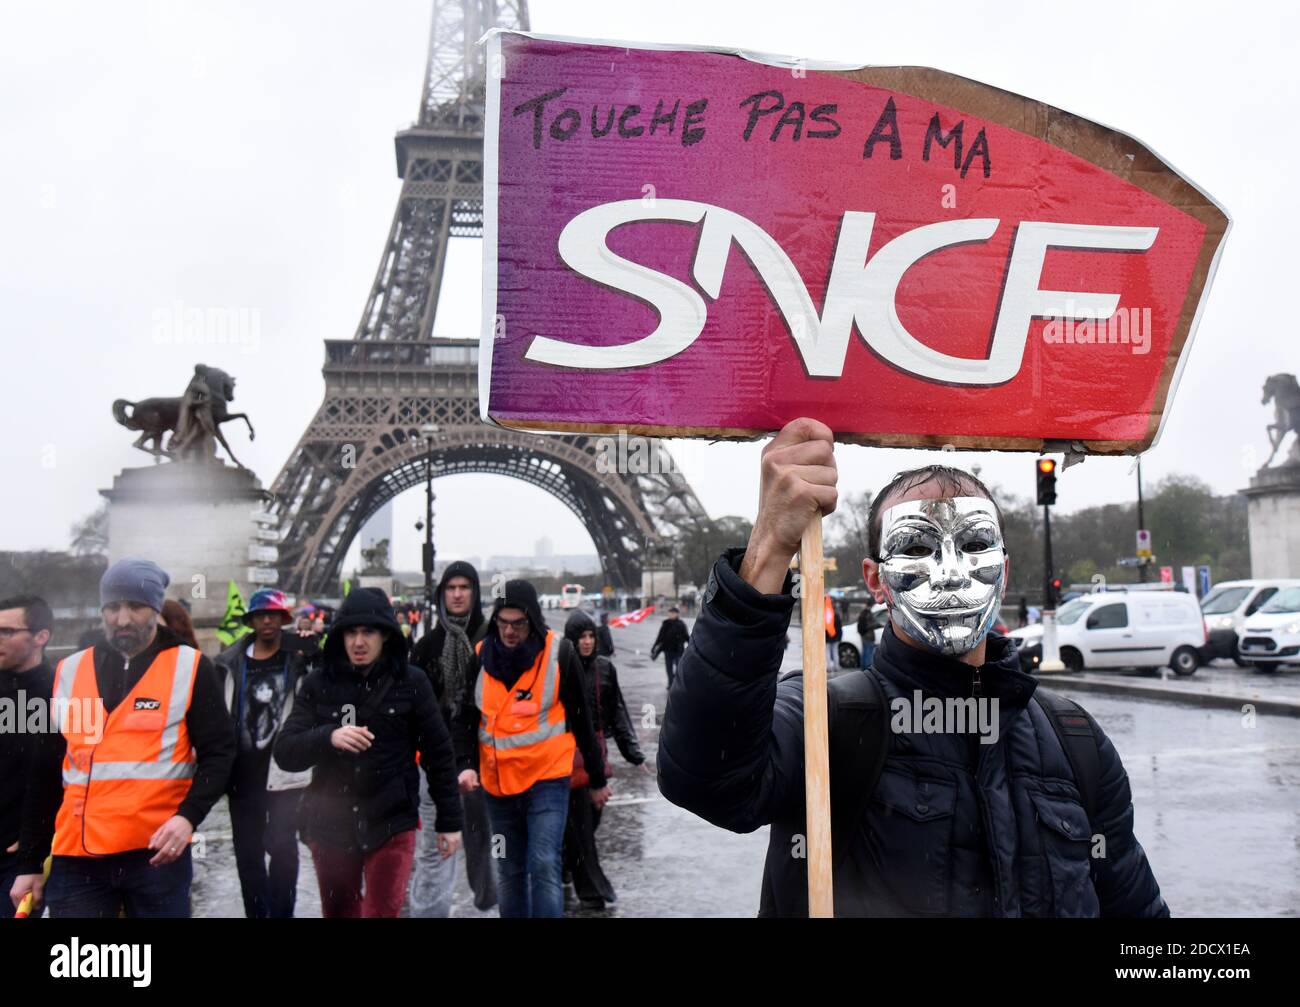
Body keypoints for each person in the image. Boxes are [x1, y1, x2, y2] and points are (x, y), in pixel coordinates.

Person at [657, 418, 1168, 918]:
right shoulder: (822, 719)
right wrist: (768, 549)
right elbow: (707, 777)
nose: (950, 574)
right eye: (918, 548)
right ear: (875, 580)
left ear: (1005, 572)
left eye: (974, 545)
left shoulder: (1074, 739)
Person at [10, 558, 235, 918]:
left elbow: (221, 753)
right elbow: (47, 771)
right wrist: (30, 862)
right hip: (77, 858)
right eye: (112, 607)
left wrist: (187, 818)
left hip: (155, 855)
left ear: (156, 608)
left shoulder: (190, 668)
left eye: (136, 606)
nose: (122, 619)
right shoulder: (71, 671)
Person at [274, 588, 462, 918]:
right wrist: (328, 736)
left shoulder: (412, 682)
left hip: (391, 820)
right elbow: (286, 752)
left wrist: (449, 822)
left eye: (368, 632)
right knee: (339, 912)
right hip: (330, 823)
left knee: (381, 912)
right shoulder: (318, 683)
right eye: (351, 632)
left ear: (386, 636)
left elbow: (439, 755)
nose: (358, 642)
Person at [455, 580, 609, 918]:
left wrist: (597, 779)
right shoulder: (480, 656)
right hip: (497, 785)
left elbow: (583, 723)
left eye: (519, 623)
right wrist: (465, 764)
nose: (509, 631)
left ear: (533, 621)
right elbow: (466, 718)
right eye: (503, 622)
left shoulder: (560, 654)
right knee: (509, 871)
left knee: (542, 863)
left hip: (547, 780)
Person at [213, 589, 319, 918]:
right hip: (242, 776)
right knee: (248, 856)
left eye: (274, 615)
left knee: (283, 849)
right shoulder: (230, 662)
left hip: (285, 773)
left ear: (284, 619)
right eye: (261, 615)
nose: (268, 621)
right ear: (252, 620)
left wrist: (313, 648)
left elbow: (332, 678)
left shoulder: (298, 658)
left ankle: (282, 913)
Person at [408, 561, 497, 916]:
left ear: (475, 593)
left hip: (484, 764)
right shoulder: (426, 647)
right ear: (441, 593)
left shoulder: (494, 641)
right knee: (435, 852)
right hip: (436, 767)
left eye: (465, 587)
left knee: (487, 852)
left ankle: (489, 907)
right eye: (451, 587)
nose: (458, 594)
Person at [561, 610, 647, 909]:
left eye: (590, 636)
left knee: (590, 819)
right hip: (566, 755)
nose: (586, 642)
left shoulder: (605, 669)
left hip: (596, 754)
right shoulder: (562, 668)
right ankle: (590, 885)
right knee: (581, 821)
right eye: (581, 636)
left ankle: (566, 863)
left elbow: (618, 713)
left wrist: (633, 754)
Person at [0, 596, 54, 905]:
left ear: (40, 637)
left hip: (22, 856)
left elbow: (67, 773)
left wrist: (38, 837)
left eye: (7, 631)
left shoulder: (62, 692)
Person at [649, 608, 689, 688]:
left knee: (679, 668)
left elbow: (686, 636)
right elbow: (660, 637)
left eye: (672, 613)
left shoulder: (681, 624)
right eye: (669, 613)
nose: (670, 615)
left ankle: (677, 683)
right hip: (668, 650)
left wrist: (691, 646)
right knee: (669, 668)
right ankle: (671, 683)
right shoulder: (666, 624)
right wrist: (654, 647)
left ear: (677, 614)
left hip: (678, 650)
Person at [824, 596, 843, 670]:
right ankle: (836, 666)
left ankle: (828, 667)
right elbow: (839, 627)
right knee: (835, 651)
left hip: (827, 637)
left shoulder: (824, 615)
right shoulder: (836, 616)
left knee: (827, 652)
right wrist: (839, 636)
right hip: (835, 637)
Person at [856, 603, 877, 670]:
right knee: (869, 653)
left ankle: (863, 667)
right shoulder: (869, 614)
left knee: (864, 652)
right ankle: (868, 668)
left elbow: (859, 626)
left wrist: (862, 633)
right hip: (869, 636)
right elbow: (872, 624)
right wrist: (875, 625)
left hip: (863, 636)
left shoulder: (862, 614)